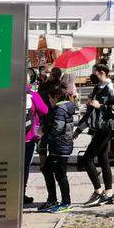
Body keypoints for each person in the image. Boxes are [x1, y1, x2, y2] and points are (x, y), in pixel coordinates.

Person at [76, 64, 114, 207]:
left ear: (101, 73)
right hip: (98, 128)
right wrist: (79, 129)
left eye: (94, 73)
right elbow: (90, 112)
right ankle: (108, 193)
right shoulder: (97, 88)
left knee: (87, 159)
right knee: (103, 160)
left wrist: (100, 106)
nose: (92, 75)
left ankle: (98, 191)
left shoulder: (110, 88)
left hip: (106, 129)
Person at [39, 81, 77, 213]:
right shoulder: (63, 107)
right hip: (58, 146)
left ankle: (66, 202)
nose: (49, 100)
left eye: (50, 98)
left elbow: (58, 128)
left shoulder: (60, 109)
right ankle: (52, 199)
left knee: (61, 175)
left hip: (61, 146)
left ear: (55, 97)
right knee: (47, 170)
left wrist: (45, 131)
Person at [23, 69, 49, 204]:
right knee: (25, 166)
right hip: (28, 137)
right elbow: (45, 110)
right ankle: (22, 193)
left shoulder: (11, 94)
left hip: (12, 138)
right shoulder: (32, 94)